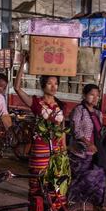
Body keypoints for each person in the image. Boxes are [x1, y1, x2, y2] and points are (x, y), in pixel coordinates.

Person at [14, 53, 66, 200]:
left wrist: (64, 151)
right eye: (50, 83)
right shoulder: (36, 103)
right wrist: (23, 63)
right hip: (39, 149)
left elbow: (62, 131)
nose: (53, 86)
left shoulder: (61, 105)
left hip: (56, 151)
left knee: (55, 185)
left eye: (56, 83)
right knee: (37, 184)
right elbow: (17, 88)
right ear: (43, 85)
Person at [67, 84, 106, 211]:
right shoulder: (79, 110)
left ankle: (102, 207)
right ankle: (69, 205)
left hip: (93, 154)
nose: (95, 98)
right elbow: (76, 131)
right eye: (92, 94)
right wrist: (87, 143)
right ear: (84, 95)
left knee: (100, 176)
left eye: (97, 95)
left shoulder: (98, 113)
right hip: (79, 154)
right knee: (80, 181)